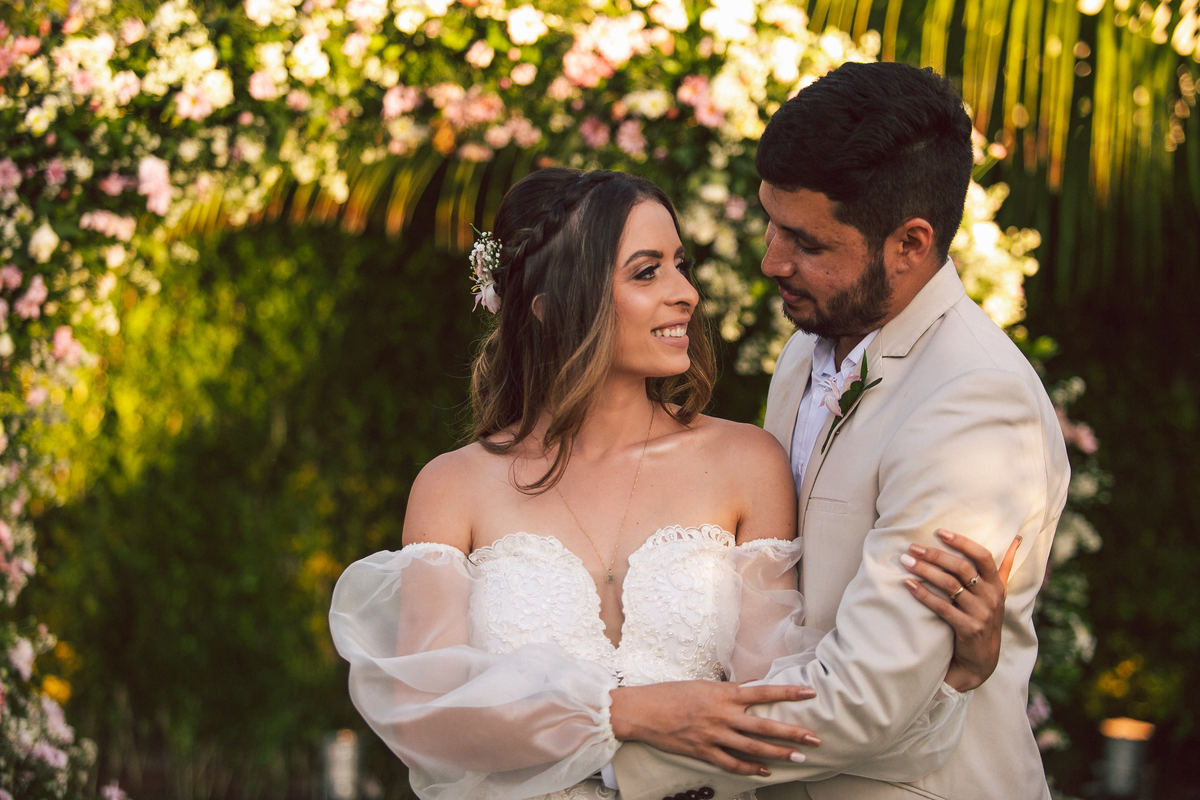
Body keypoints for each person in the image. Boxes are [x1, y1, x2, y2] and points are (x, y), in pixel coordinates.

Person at [328, 166, 1017, 800]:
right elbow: (426, 712)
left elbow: (779, 704)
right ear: (546, 306)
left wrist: (949, 677)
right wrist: (623, 712)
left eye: (680, 267)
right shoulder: (454, 487)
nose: (685, 293)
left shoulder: (746, 464)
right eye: (647, 272)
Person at [608, 63, 1070, 800]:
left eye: (806, 241)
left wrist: (605, 762)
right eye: (769, 222)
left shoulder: (974, 403)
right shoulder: (808, 350)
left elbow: (863, 700)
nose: (769, 260)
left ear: (910, 244)